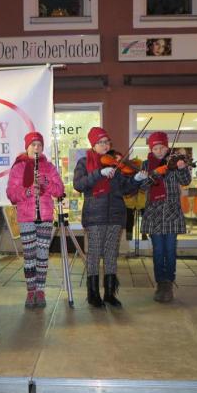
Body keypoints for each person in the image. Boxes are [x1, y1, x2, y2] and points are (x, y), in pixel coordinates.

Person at [73, 127, 147, 308]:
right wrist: (99, 173)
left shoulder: (116, 164)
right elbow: (79, 184)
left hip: (115, 214)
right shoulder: (84, 162)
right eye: (102, 142)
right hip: (95, 215)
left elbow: (125, 189)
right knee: (94, 254)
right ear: (93, 144)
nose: (106, 145)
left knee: (112, 254)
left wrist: (136, 179)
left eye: (107, 142)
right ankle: (93, 294)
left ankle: (110, 293)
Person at [6, 131, 65, 309]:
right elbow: (11, 194)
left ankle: (40, 290)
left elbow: (60, 190)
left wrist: (46, 183)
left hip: (45, 216)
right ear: (27, 147)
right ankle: (30, 291)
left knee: (42, 256)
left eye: (39, 144)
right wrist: (29, 191)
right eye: (33, 145)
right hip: (26, 217)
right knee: (30, 256)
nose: (36, 147)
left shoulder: (49, 167)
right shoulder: (18, 167)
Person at [139, 132, 192, 303]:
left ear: (167, 147)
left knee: (170, 250)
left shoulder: (175, 162)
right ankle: (160, 283)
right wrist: (156, 173)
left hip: (171, 213)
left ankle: (168, 282)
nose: (159, 151)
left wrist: (182, 168)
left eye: (162, 147)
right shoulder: (146, 164)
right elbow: (142, 186)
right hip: (154, 214)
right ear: (151, 149)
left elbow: (185, 181)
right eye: (155, 148)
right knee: (158, 251)